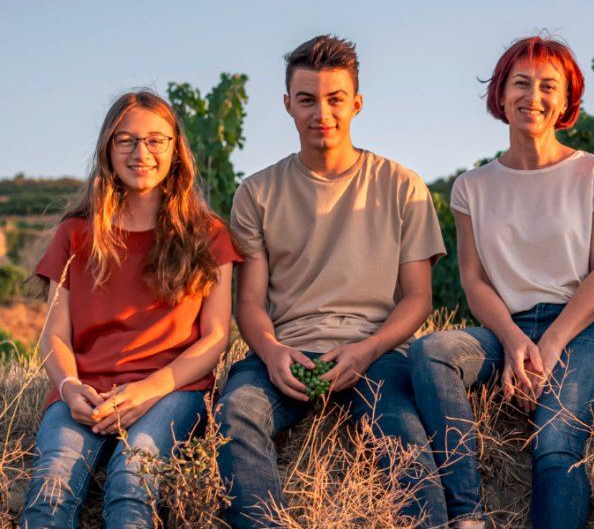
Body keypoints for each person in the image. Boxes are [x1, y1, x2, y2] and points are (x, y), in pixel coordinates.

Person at [215, 35, 449, 527]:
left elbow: (418, 299)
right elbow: (250, 302)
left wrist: (367, 350)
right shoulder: (256, 192)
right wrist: (274, 352)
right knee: (236, 411)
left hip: (376, 355)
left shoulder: (402, 186)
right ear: (287, 105)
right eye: (307, 99)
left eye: (335, 99)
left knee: (406, 441)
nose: (322, 112)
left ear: (357, 104)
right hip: (288, 353)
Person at [409, 36, 594, 529]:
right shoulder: (472, 187)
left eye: (549, 85)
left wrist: (549, 345)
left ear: (567, 99)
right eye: (521, 83)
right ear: (501, 95)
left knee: (554, 438)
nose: (534, 95)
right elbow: (474, 280)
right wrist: (512, 341)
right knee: (431, 353)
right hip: (508, 328)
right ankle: (468, 515)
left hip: (587, 327)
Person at [20, 91, 241, 528]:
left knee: (130, 484)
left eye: (156, 140)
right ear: (108, 149)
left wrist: (149, 389)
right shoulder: (76, 233)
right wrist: (67, 387)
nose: (141, 153)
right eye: (126, 140)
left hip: (173, 392)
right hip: (84, 392)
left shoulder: (207, 233)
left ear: (176, 149)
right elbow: (55, 334)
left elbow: (217, 336)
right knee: (51, 486)